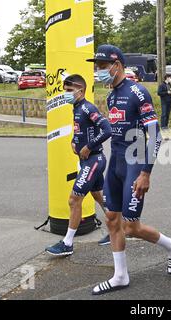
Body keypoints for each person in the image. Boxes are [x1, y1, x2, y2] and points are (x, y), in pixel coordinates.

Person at [87, 45, 171, 295]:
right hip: (115, 163)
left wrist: (145, 172)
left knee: (131, 226)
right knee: (111, 219)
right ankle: (120, 275)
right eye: (96, 67)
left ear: (116, 64)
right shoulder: (111, 95)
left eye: (101, 66)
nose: (98, 71)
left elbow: (154, 135)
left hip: (135, 163)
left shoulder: (137, 92)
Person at [45, 75, 112, 256]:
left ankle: (67, 243)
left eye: (69, 91)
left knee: (74, 200)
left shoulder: (87, 108)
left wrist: (88, 147)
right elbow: (82, 130)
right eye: (64, 90)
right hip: (89, 161)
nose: (66, 94)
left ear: (80, 91)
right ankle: (118, 228)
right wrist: (74, 142)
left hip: (94, 161)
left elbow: (107, 129)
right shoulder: (76, 108)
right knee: (100, 197)